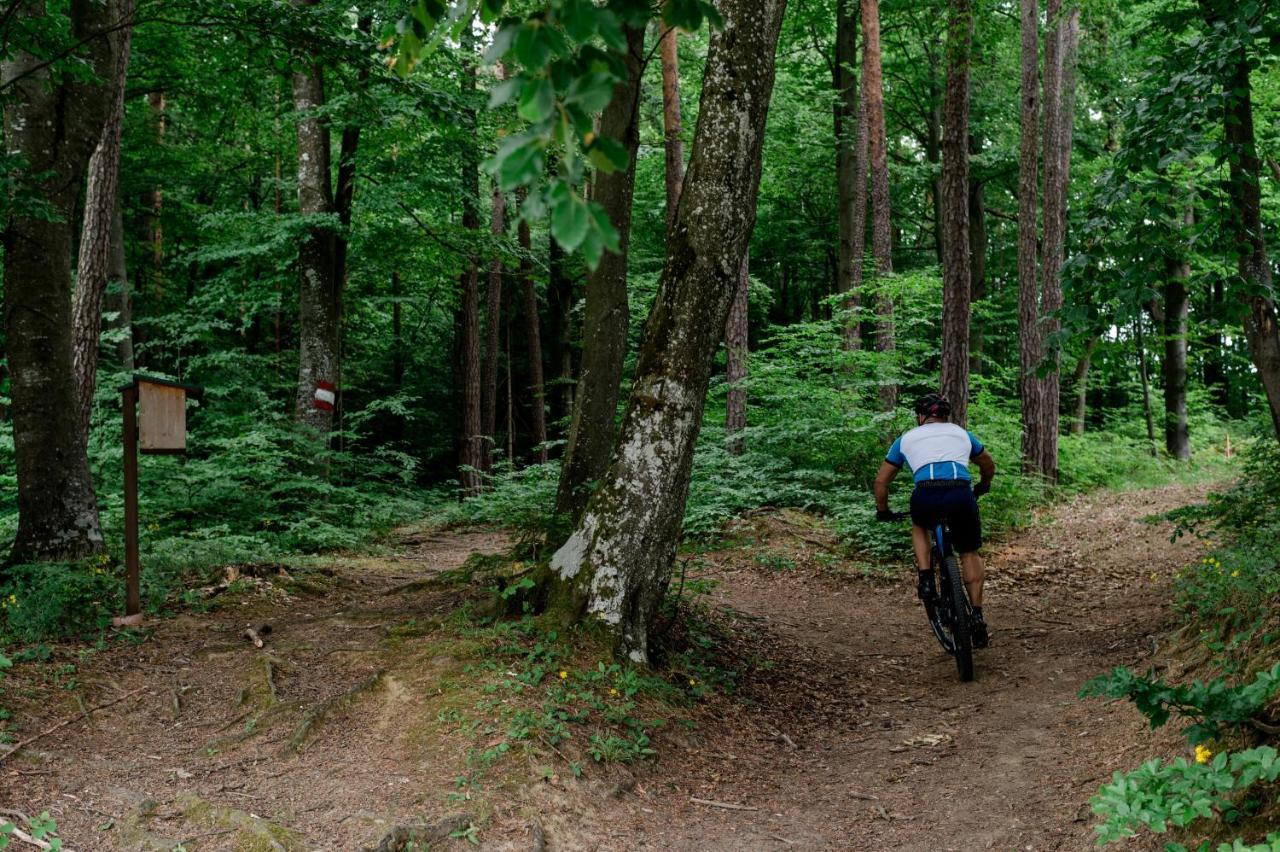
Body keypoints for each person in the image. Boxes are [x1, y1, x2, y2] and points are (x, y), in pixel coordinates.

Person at [873, 393, 996, 648]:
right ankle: (976, 615)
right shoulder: (961, 434)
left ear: (921, 416)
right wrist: (984, 485)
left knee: (919, 526)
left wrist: (882, 510)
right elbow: (987, 463)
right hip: (960, 493)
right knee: (969, 552)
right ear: (945, 416)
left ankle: (927, 577)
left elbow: (881, 481)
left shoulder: (906, 438)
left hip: (925, 494)